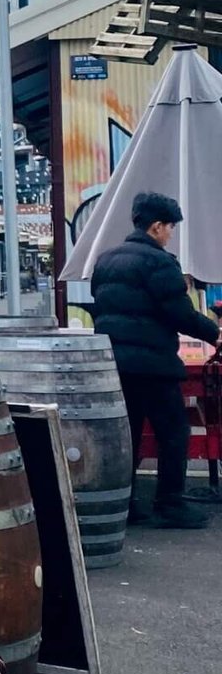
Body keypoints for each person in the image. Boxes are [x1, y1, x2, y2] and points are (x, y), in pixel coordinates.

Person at [89, 191, 220, 528]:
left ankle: (125, 503)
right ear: (157, 226)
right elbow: (179, 313)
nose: (171, 234)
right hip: (154, 366)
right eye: (170, 227)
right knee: (174, 431)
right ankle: (170, 503)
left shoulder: (105, 260)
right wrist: (214, 333)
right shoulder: (160, 262)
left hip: (115, 363)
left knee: (127, 435)